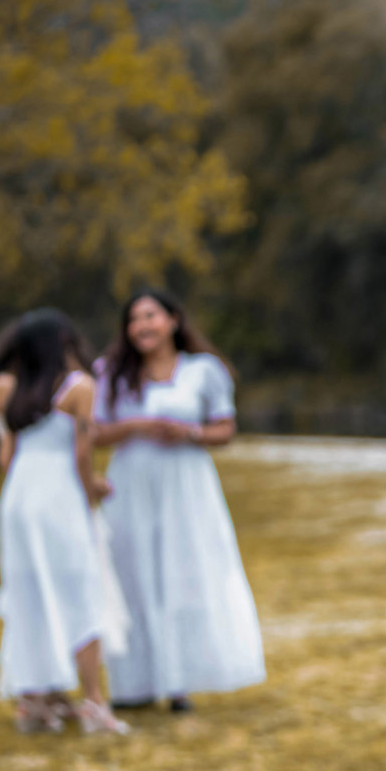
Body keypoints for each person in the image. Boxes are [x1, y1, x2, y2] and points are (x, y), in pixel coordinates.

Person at [0, 309, 130, 736]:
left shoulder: (1, 389)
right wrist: (93, 487)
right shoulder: (78, 387)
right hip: (58, 495)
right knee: (81, 586)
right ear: (62, 344)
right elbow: (81, 453)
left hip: (18, 499)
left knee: (27, 590)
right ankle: (93, 700)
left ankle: (34, 698)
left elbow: (6, 456)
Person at [94, 290, 264, 712]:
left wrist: (187, 433)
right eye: (133, 319)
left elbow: (224, 429)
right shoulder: (111, 373)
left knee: (182, 574)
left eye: (150, 316)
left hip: (186, 487)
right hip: (130, 485)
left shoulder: (203, 371)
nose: (141, 326)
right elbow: (92, 433)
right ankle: (133, 684)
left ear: (172, 320)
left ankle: (179, 681)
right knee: (131, 572)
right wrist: (138, 425)